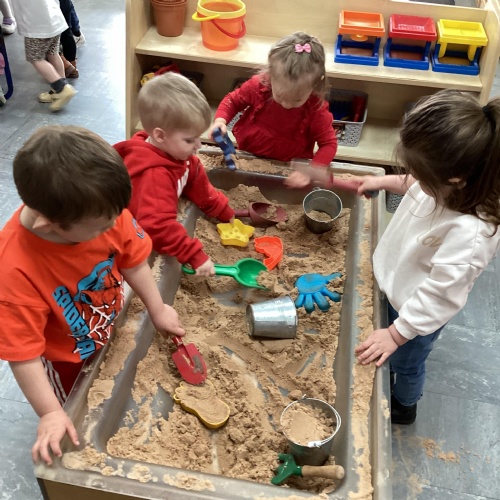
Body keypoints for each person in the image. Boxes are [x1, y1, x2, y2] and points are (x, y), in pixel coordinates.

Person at [0, 125, 185, 465]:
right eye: (102, 227)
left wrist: (157, 308)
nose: (113, 226)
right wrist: (50, 412)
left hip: (104, 323)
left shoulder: (101, 210)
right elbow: (23, 355)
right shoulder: (13, 271)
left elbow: (133, 261)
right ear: (48, 225)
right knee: (75, 410)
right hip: (66, 358)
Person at [354, 90, 500, 425]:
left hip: (417, 312)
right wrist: (382, 180)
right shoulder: (450, 182)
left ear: (455, 180)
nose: (415, 180)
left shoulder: (471, 235)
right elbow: (413, 184)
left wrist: (397, 333)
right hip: (399, 282)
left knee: (407, 363)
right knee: (395, 343)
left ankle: (405, 405)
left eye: (421, 174)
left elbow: (440, 297)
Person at [114, 72, 235, 278]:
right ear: (160, 135)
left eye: (198, 137)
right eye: (189, 140)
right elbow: (157, 226)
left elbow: (196, 181)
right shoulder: (154, 176)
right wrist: (194, 255)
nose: (198, 145)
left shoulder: (176, 154)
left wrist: (223, 210)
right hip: (128, 238)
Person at [207, 31, 337, 189]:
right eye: (280, 97)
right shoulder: (258, 87)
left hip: (288, 168)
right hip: (250, 156)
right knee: (247, 186)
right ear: (269, 76)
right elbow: (232, 101)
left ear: (315, 85)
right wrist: (220, 121)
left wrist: (310, 171)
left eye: (297, 100)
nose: (287, 104)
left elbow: (329, 144)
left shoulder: (316, 109)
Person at [9, 0, 76, 111]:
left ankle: (62, 89)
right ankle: (58, 90)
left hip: (37, 26)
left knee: (35, 59)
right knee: (53, 54)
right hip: (54, 19)